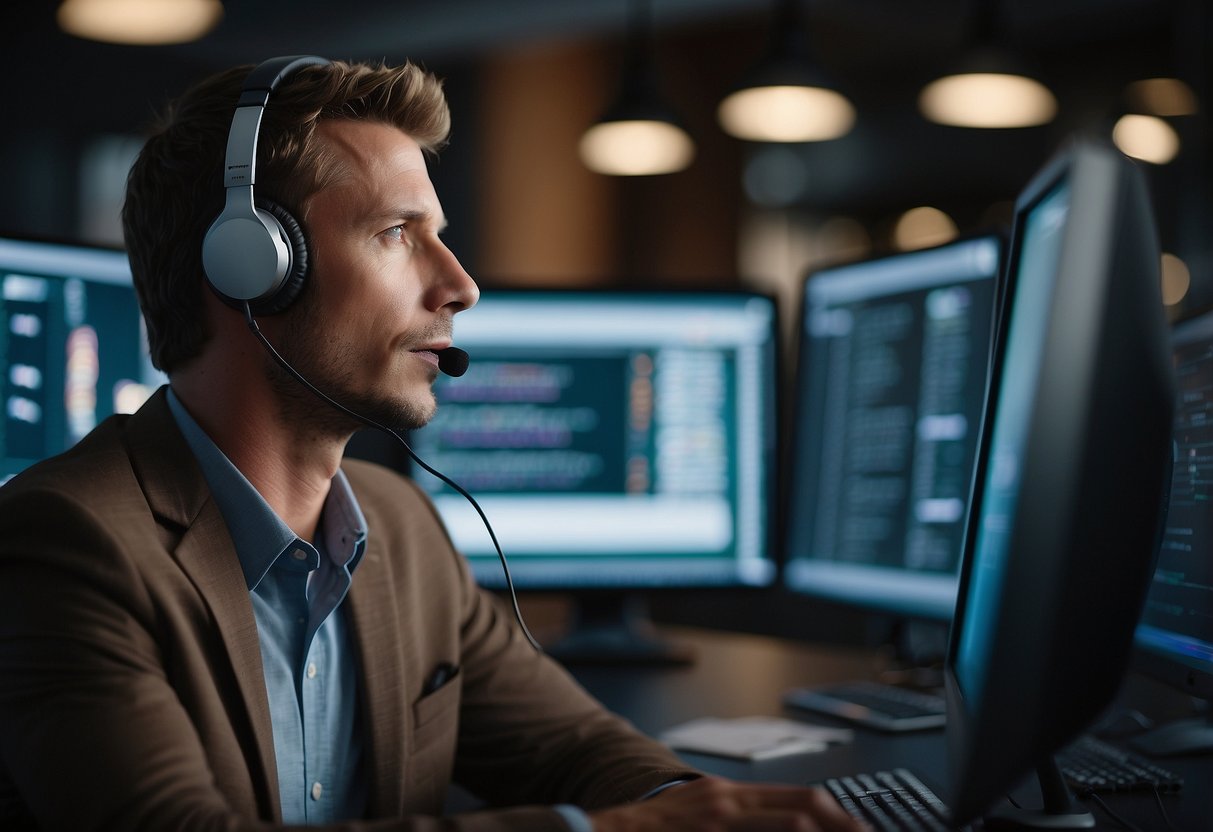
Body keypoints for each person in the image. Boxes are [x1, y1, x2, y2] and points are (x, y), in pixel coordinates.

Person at [0, 57, 864, 832]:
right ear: (250, 267)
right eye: (394, 234)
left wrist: (682, 810)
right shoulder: (63, 543)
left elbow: (573, 747)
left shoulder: (403, 531)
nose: (459, 284)